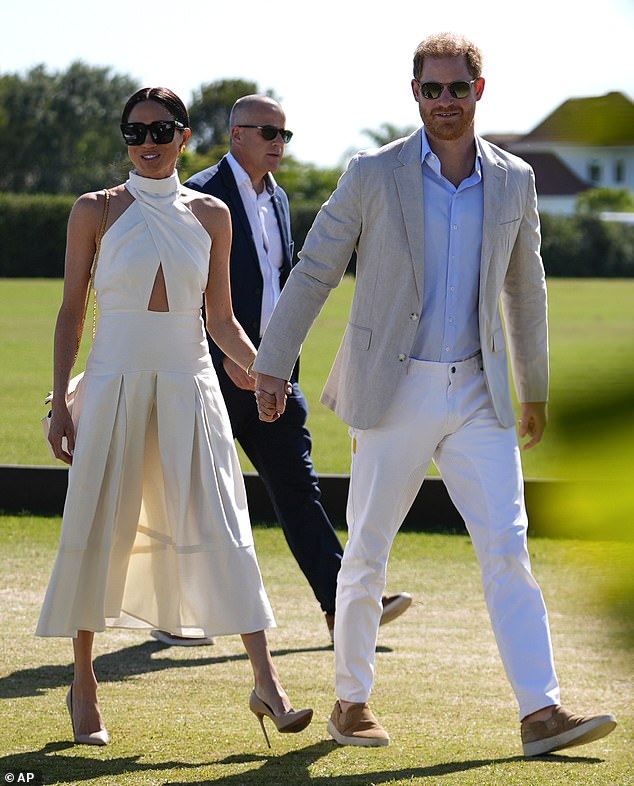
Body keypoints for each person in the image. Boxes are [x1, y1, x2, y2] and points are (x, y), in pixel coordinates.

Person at [252, 33, 617, 755]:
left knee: (508, 548)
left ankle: (540, 713)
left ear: (480, 91)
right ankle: (350, 702)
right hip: (395, 390)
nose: (444, 101)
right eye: (431, 89)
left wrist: (533, 389)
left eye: (457, 88)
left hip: (479, 394)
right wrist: (272, 365)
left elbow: (525, 288)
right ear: (413, 93)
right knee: (366, 553)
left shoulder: (514, 178)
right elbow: (317, 267)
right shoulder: (372, 173)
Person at [36, 87, 312, 748]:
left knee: (224, 521)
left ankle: (267, 684)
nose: (148, 141)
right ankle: (83, 685)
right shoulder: (94, 210)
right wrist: (58, 401)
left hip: (191, 385)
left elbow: (220, 319)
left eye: (162, 129)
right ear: (125, 138)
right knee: (97, 523)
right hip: (112, 383)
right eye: (135, 132)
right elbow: (72, 311)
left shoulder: (213, 214)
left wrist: (264, 372)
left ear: (186, 136)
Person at [150, 94, 411, 649]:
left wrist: (279, 365)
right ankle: (174, 613)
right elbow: (179, 287)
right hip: (210, 369)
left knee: (297, 486)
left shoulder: (280, 199)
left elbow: (283, 284)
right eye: (267, 132)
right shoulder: (196, 194)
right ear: (235, 134)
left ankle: (342, 606)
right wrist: (223, 353)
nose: (277, 142)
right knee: (197, 490)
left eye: (284, 135)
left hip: (271, 373)